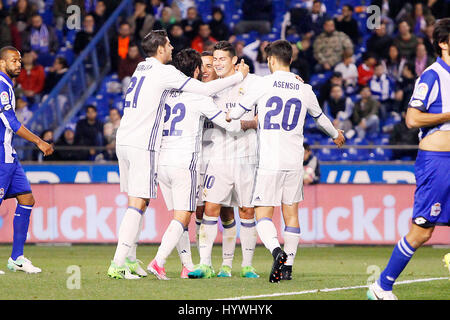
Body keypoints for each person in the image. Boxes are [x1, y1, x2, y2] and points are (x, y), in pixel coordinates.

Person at [107, 30, 249, 280]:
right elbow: (206, 96)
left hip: (128, 140)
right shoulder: (169, 75)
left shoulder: (141, 68)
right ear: (160, 49)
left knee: (141, 203)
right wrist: (238, 78)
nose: (171, 48)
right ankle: (125, 262)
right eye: (169, 44)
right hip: (154, 149)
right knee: (149, 206)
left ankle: (131, 259)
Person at [228, 39, 345, 282]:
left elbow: (235, 114)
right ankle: (288, 266)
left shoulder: (262, 84)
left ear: (270, 60)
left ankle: (276, 251)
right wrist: (337, 135)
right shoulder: (304, 88)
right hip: (294, 161)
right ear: (290, 60)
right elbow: (321, 119)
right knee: (291, 213)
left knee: (262, 215)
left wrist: (233, 112)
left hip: (269, 160)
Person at [368, 18, 450, 300]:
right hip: (438, 161)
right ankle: (382, 286)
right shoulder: (432, 75)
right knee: (421, 232)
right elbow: (412, 118)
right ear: (442, 43)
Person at [147, 49, 247, 280]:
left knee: (178, 216)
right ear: (195, 71)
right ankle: (159, 261)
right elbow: (229, 125)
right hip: (186, 161)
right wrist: (249, 123)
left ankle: (187, 265)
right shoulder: (199, 96)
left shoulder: (164, 94)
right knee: (184, 215)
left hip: (163, 161)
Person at [188, 41, 259, 280]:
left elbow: (276, 86)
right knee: (211, 209)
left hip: (246, 158)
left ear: (234, 62)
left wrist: (295, 80)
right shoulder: (208, 89)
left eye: (221, 59)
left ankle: (245, 266)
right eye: (214, 59)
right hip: (218, 158)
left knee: (247, 211)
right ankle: (205, 264)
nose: (216, 64)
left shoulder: (252, 82)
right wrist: (251, 123)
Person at [0, 46, 54, 274]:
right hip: (1, 156)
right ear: (2, 63)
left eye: (20, 60)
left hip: (9, 154)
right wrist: (39, 141)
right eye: (14, 60)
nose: (19, 64)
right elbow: (10, 121)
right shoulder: (1, 86)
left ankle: (17, 258)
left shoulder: (9, 86)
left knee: (27, 198)